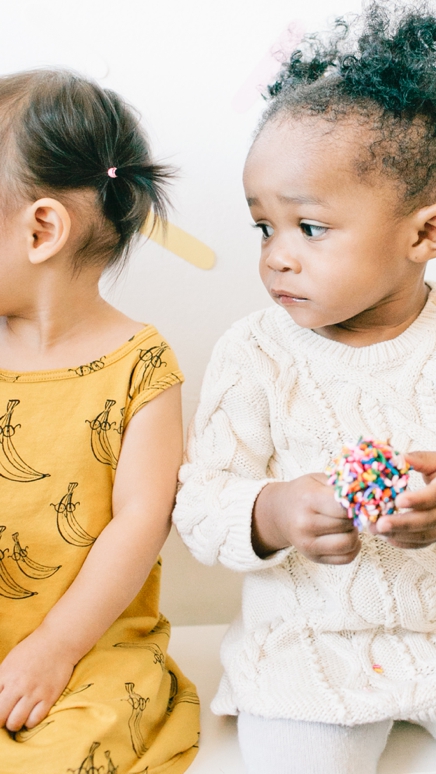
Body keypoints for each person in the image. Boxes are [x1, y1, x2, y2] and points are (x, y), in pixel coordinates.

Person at [174, 0, 436, 774]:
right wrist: (272, 511)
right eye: (264, 226)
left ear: (427, 233)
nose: (277, 255)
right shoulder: (252, 351)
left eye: (309, 227)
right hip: (311, 652)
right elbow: (200, 503)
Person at [0, 70, 199, 773]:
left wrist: (55, 647)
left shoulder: (141, 364)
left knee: (73, 749)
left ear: (42, 230)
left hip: (89, 644)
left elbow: (141, 521)